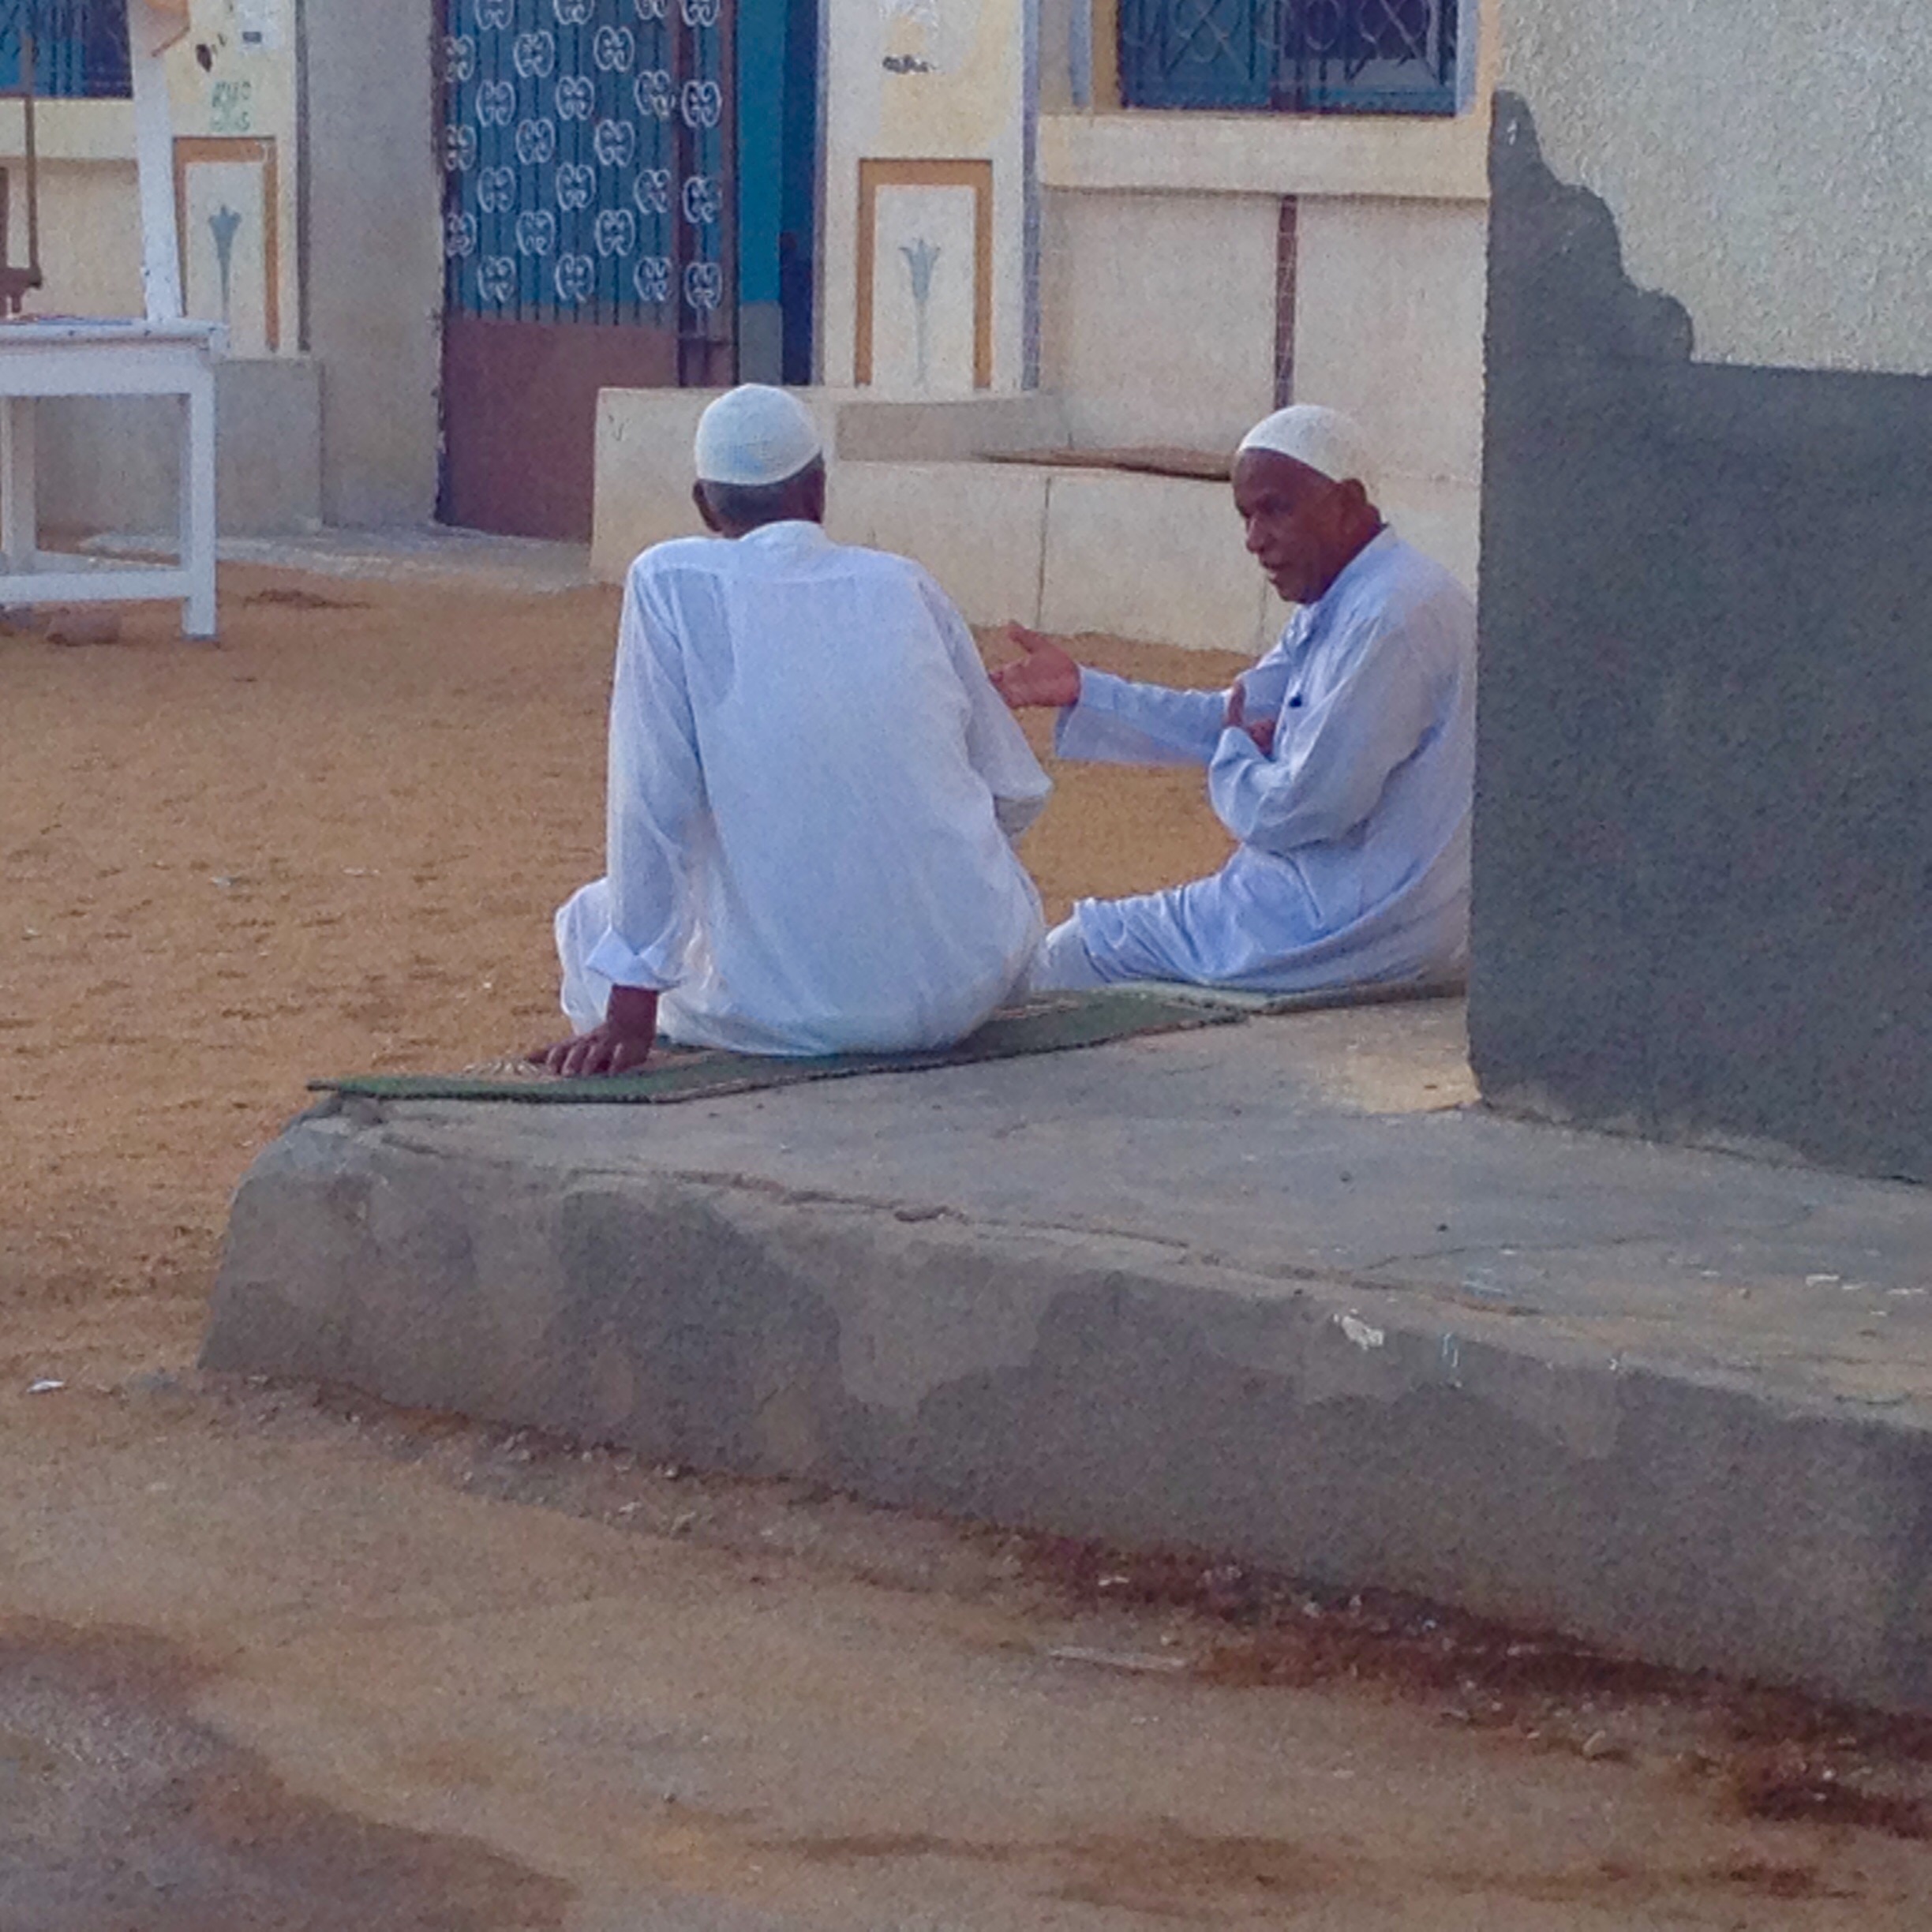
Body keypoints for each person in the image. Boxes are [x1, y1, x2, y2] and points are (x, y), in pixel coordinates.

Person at [537, 384, 1050, 1076]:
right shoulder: (905, 585)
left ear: (705, 505)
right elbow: (1013, 791)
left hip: (798, 1007)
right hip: (972, 982)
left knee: (588, 922)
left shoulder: (671, 581)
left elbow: (651, 805)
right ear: (818, 491)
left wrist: (630, 1016)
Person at [990, 404, 1475, 996]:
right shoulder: (1350, 598)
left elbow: (1303, 806)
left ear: (1347, 504)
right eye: (1247, 517)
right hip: (1338, 903)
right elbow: (1233, 713)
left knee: (1080, 950)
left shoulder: (1390, 616)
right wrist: (1085, 689)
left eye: (1275, 511)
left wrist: (1237, 758)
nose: (1254, 540)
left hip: (1344, 922)